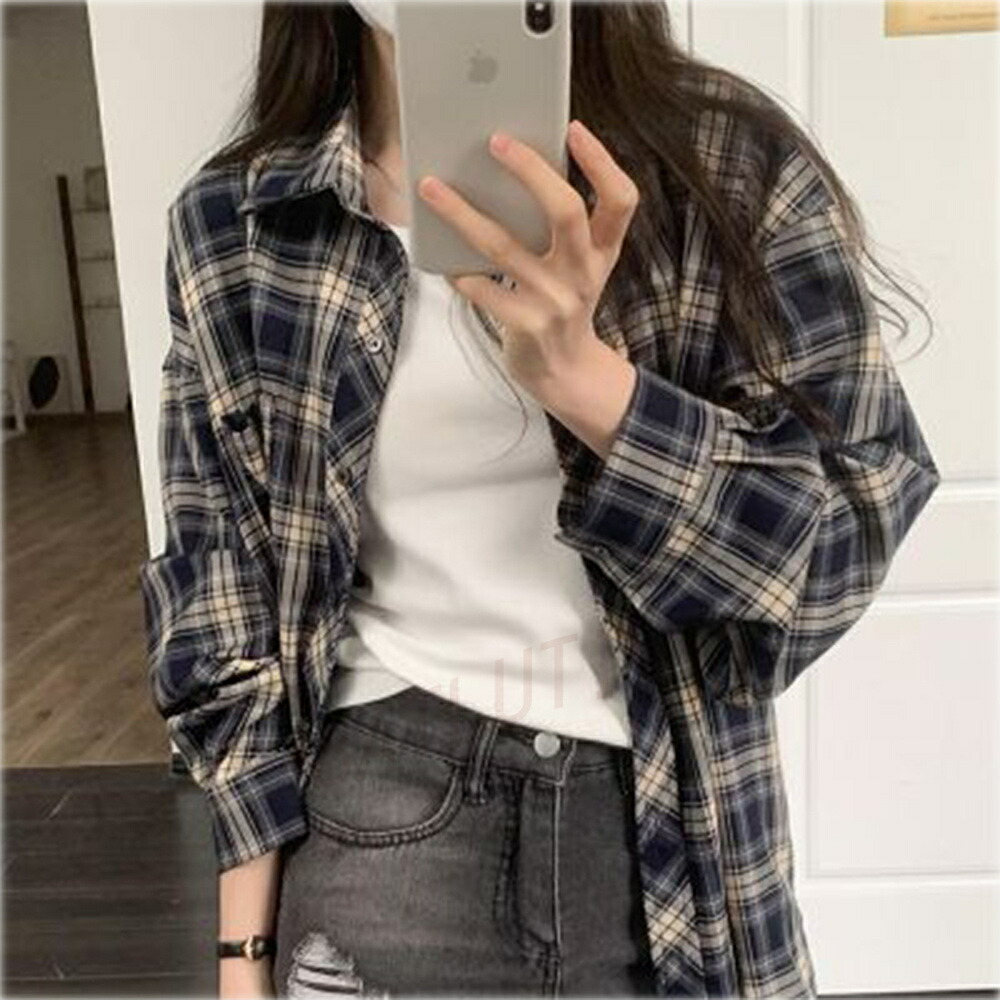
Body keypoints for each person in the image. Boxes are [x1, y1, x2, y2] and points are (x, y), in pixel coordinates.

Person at [138, 2, 942, 998]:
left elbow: (841, 544)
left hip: (675, 826)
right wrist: (241, 958)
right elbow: (221, 608)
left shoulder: (727, 169)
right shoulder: (240, 221)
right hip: (383, 820)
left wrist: (591, 386)